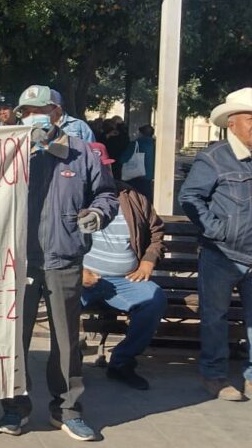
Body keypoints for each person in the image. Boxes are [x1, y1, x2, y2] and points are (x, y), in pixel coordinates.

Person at [0, 85, 118, 442]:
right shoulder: (8, 153)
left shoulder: (81, 153)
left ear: (57, 113)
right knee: (14, 339)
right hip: (19, 262)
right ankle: (14, 407)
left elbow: (106, 193)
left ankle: (66, 409)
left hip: (64, 259)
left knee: (66, 341)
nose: (32, 117)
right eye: (25, 112)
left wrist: (98, 213)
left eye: (41, 109)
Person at [178, 87, 252, 407]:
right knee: (215, 317)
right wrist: (218, 230)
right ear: (232, 123)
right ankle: (214, 375)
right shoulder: (214, 157)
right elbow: (190, 197)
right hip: (222, 256)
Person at [81, 143, 167, 390]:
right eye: (91, 169)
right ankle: (67, 363)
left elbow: (156, 231)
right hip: (81, 278)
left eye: (103, 168)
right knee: (58, 298)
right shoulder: (72, 197)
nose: (98, 174)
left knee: (154, 299)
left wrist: (149, 260)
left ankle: (122, 362)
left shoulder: (132, 197)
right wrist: (76, 272)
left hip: (124, 280)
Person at [121, 125, 156, 199]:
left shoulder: (136, 143)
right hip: (150, 175)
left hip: (137, 175)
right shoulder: (155, 144)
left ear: (141, 133)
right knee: (148, 197)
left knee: (136, 197)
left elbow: (123, 159)